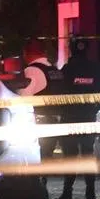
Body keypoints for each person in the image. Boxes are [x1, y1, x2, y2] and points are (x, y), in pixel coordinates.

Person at [56, 39, 100, 199]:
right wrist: (92, 110)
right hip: (87, 118)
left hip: (69, 119)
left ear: (71, 50)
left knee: (70, 157)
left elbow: (59, 94)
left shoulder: (66, 70)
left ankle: (67, 194)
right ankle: (90, 195)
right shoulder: (96, 69)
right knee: (87, 154)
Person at [17, 39, 67, 168]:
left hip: (40, 123)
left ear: (26, 53)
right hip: (58, 120)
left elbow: (23, 98)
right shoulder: (55, 70)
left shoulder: (32, 71)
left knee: (37, 161)